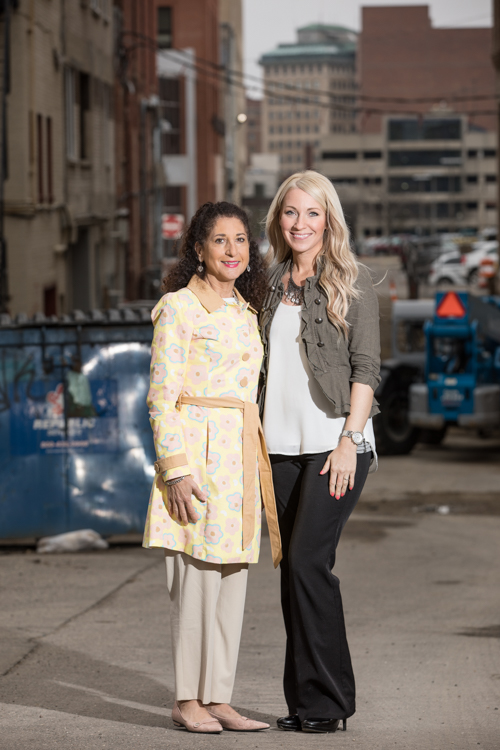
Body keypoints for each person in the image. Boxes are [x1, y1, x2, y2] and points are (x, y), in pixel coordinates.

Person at [143, 201, 281, 734]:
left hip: (239, 459)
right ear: (198, 248)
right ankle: (186, 700)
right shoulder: (179, 308)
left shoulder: (246, 311)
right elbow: (160, 397)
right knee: (195, 583)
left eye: (241, 240)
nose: (232, 250)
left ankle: (218, 697)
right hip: (198, 460)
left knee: (231, 583)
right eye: (220, 240)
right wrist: (175, 470)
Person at [259, 171, 381, 734]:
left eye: (312, 213)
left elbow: (366, 371)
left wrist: (351, 442)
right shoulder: (268, 283)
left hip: (337, 446)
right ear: (278, 221)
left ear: (328, 219)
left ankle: (330, 704)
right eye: (291, 213)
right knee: (292, 574)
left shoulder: (353, 285)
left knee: (310, 562)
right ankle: (304, 702)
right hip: (278, 446)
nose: (300, 223)